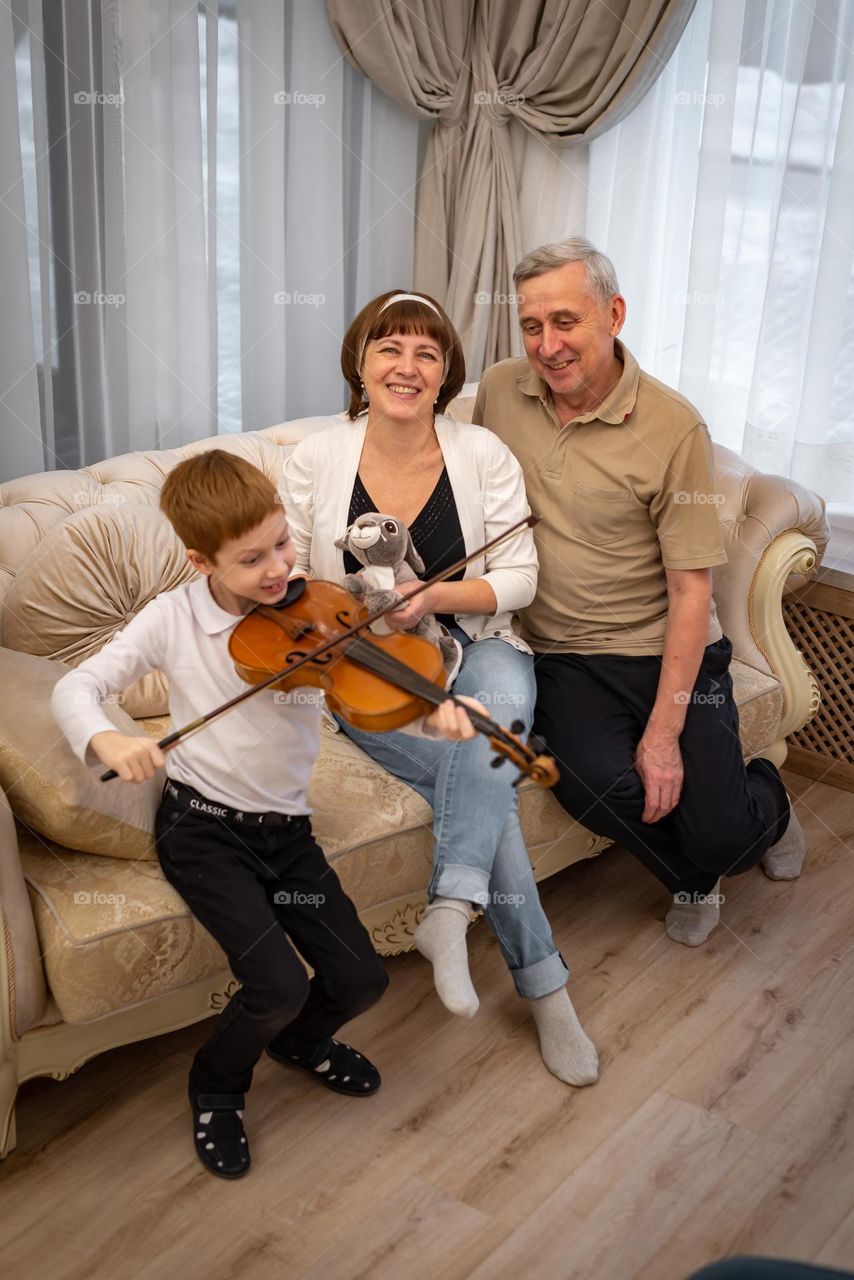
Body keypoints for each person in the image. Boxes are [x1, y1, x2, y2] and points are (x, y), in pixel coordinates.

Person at [50, 450, 479, 1180]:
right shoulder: (172, 620)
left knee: (362, 980)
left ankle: (301, 1043)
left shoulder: (315, 608)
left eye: (281, 543)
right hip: (205, 833)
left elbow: (362, 695)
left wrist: (434, 715)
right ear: (200, 560)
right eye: (252, 560)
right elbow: (76, 689)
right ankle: (217, 1085)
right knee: (276, 984)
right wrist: (110, 736)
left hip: (286, 835)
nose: (280, 568)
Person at [281, 289, 599, 1088]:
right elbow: (286, 580)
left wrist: (433, 599)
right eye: (389, 348)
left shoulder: (481, 452)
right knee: (489, 770)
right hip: (370, 668)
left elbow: (520, 577)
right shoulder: (314, 458)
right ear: (360, 363)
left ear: (444, 374)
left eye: (427, 353)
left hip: (481, 643)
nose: (407, 366)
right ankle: (545, 986)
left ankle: (451, 914)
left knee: (490, 723)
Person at [473, 238, 805, 948]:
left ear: (613, 313)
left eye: (567, 322)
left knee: (722, 834)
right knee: (589, 787)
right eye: (532, 326)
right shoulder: (501, 391)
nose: (548, 345)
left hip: (671, 650)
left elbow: (691, 594)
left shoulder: (673, 426)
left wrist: (663, 734)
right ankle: (692, 874)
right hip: (561, 652)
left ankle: (768, 801)